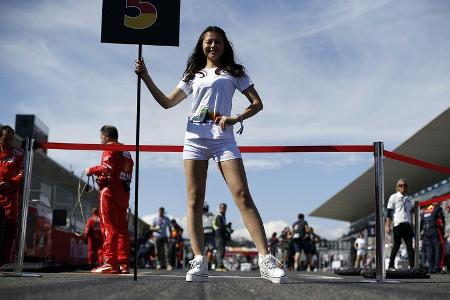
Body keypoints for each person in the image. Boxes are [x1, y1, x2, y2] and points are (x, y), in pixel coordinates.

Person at [135, 25, 287, 283]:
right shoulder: (192, 74)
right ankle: (199, 261)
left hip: (223, 139)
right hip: (194, 139)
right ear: (201, 46)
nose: (212, 46)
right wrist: (146, 76)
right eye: (208, 42)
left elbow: (257, 103)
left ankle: (265, 259)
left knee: (241, 195)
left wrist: (235, 117)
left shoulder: (235, 72)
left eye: (217, 42)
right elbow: (167, 102)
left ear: (224, 45)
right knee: (194, 200)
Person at [86, 125, 134, 274]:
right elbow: (122, 171)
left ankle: (109, 262)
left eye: (101, 138)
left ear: (106, 137)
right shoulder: (126, 151)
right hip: (124, 193)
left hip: (110, 192)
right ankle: (123, 263)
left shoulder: (109, 147)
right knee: (121, 230)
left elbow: (107, 167)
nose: (101, 141)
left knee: (108, 227)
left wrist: (91, 170)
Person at [0, 125, 23, 266]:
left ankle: (5, 259)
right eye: (5, 137)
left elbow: (22, 172)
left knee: (10, 226)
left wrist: (10, 183)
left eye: (10, 138)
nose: (8, 140)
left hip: (11, 195)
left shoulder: (18, 153)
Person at [385, 178, 415, 270]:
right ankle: (391, 265)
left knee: (410, 246)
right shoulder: (393, 197)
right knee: (396, 246)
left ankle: (412, 266)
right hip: (398, 224)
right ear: (397, 187)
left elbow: (411, 213)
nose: (403, 187)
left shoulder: (409, 199)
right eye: (401, 185)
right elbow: (389, 212)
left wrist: (413, 225)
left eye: (405, 185)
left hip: (408, 225)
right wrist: (387, 225)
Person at [421, 202, 445, 273]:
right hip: (435, 230)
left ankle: (430, 268)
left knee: (429, 251)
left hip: (426, 232)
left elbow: (421, 224)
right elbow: (441, 220)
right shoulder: (438, 209)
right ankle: (437, 267)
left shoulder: (425, 211)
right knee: (438, 249)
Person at [213, 203, 232, 271]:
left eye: (224, 208)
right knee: (220, 251)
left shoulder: (222, 216)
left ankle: (221, 265)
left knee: (222, 251)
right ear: (220, 208)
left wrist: (227, 228)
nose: (224, 209)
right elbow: (221, 227)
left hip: (221, 236)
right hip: (219, 236)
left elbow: (222, 226)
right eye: (222, 208)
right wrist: (227, 227)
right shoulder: (219, 216)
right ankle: (219, 266)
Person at [202, 203, 216, 268]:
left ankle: (203, 263)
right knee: (210, 249)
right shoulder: (212, 216)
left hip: (203, 233)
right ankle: (208, 263)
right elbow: (215, 225)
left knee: (202, 249)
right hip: (210, 232)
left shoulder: (200, 215)